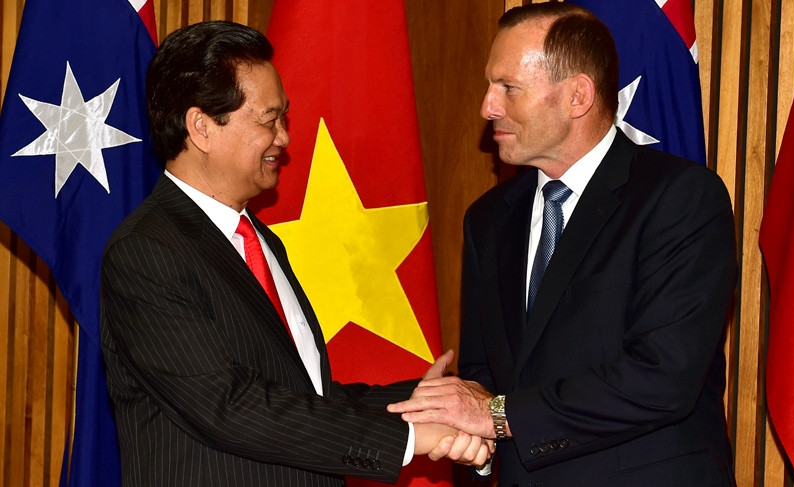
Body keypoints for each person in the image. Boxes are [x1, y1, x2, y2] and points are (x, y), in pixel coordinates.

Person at [100, 21, 489, 487]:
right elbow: (229, 406)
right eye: (269, 120)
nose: (284, 138)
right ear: (201, 127)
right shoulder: (146, 252)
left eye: (283, 118)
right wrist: (407, 438)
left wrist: (420, 401)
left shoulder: (262, 241)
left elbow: (304, 397)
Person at [388, 3, 737, 486]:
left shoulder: (678, 198)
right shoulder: (489, 219)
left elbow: (663, 377)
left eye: (508, 88)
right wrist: (467, 433)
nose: (487, 106)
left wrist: (495, 416)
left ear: (577, 96)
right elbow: (485, 374)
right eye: (491, 86)